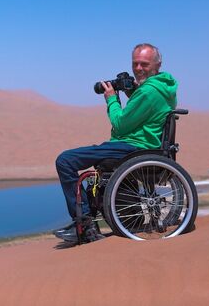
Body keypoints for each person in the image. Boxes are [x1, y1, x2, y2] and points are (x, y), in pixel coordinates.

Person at [54, 43, 178, 242]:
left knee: (66, 160)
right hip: (144, 146)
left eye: (144, 64)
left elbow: (120, 125)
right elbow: (145, 114)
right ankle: (114, 220)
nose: (138, 68)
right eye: (135, 63)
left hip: (134, 147)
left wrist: (112, 99)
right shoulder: (163, 87)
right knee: (96, 171)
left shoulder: (148, 92)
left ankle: (84, 224)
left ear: (157, 64)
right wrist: (132, 92)